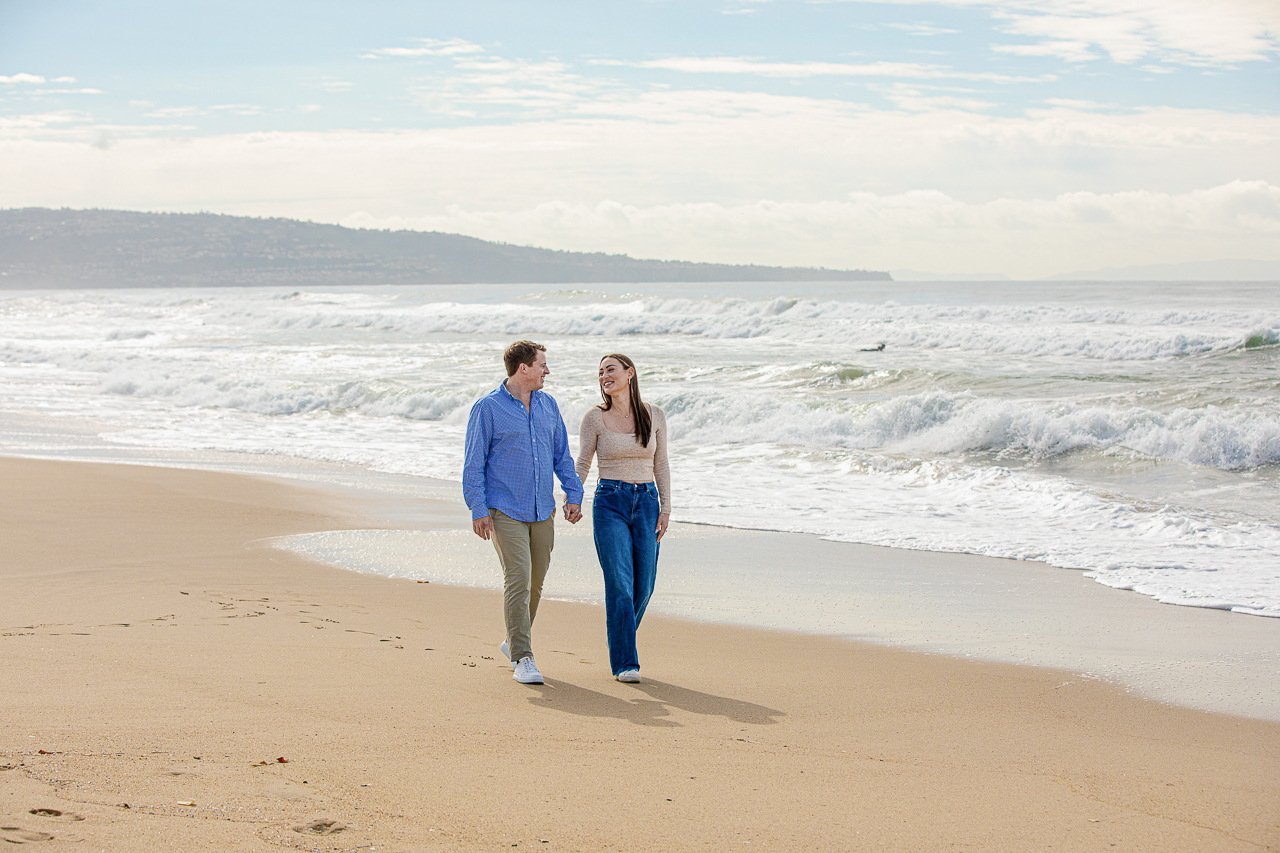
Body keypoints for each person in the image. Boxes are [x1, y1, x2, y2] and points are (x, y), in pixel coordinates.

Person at [463, 340, 584, 685]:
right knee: (518, 577)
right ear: (524, 369)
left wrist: (573, 493)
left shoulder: (548, 406)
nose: (547, 371)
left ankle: (514, 640)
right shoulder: (487, 408)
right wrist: (478, 508)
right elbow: (473, 463)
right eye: (542, 364)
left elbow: (561, 455)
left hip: (542, 509)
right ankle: (523, 657)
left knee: (536, 582)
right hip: (504, 509)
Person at [575, 353, 671, 683]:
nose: (604, 375)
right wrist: (573, 497)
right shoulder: (594, 418)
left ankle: (619, 637)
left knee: (644, 586)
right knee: (619, 582)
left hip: (646, 502)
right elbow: (583, 463)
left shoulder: (654, 415)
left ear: (630, 373)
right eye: (600, 371)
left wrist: (666, 508)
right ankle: (625, 662)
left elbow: (661, 465)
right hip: (610, 502)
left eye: (610, 369)